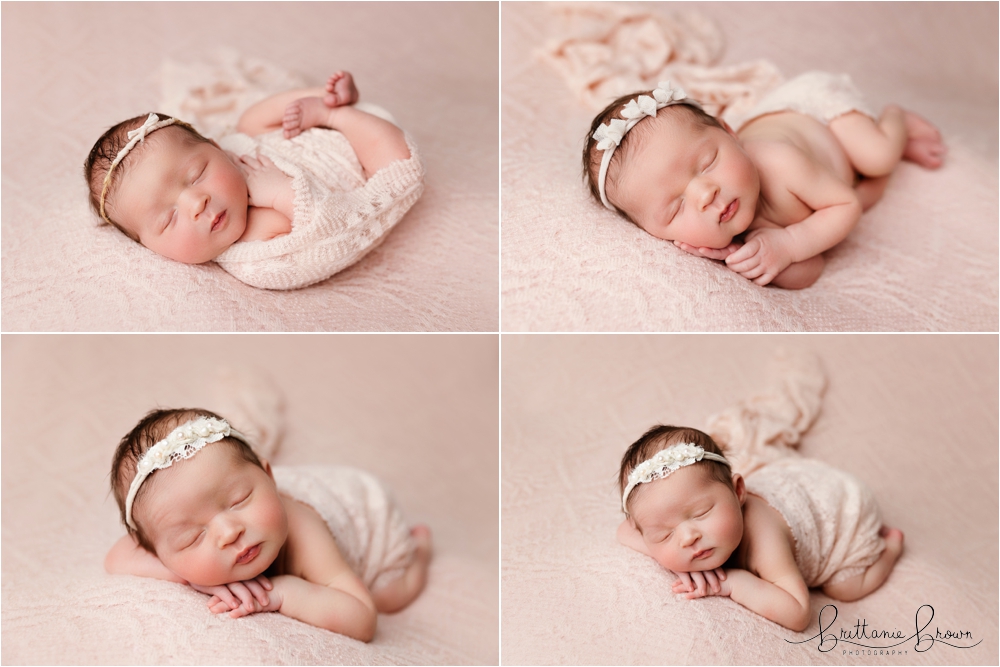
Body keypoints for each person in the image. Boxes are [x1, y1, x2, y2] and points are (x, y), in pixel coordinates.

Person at [583, 73, 946, 289]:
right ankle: (893, 154)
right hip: (829, 181)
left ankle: (896, 119)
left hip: (813, 111)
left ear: (730, 132)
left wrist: (789, 241)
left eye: (707, 163)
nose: (705, 195)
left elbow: (844, 206)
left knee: (875, 159)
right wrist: (742, 257)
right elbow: (810, 269)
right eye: (676, 207)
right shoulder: (727, 230)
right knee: (867, 195)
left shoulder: (779, 161)